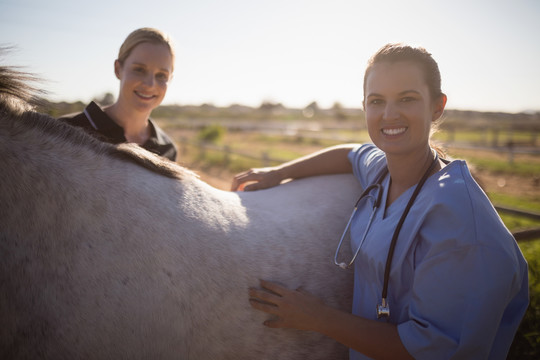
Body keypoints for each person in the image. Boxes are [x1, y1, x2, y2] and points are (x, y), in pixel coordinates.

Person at [232, 44, 529, 359]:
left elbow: (430, 351)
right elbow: (350, 154)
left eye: (407, 99)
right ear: (364, 107)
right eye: (377, 101)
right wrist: (279, 173)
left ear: (437, 107)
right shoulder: (383, 169)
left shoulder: (462, 225)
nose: (389, 115)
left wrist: (318, 318)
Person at [59, 27, 177, 161]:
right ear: (118, 69)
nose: (150, 84)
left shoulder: (167, 150)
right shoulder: (66, 131)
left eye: (161, 75)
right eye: (139, 69)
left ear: (170, 79)